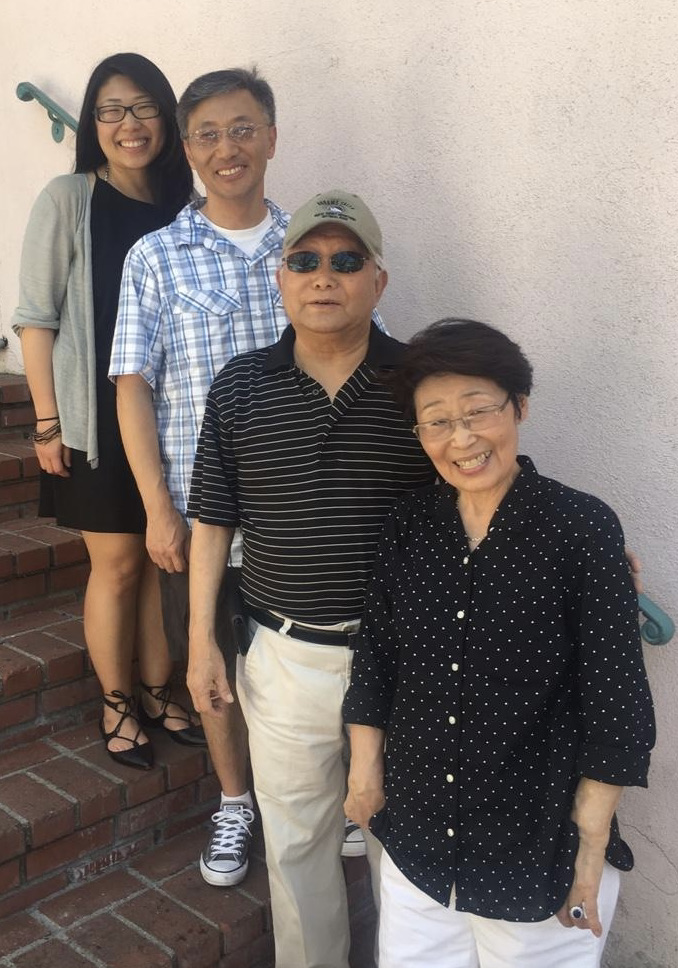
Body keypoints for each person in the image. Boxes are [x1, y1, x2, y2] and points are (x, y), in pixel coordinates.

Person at [342, 318, 656, 968]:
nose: (461, 438)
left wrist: (591, 848)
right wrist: (364, 772)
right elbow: (376, 658)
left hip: (537, 852)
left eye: (478, 411)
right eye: (436, 421)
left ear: (519, 406)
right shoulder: (410, 524)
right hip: (419, 843)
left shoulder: (580, 528)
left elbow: (617, 702)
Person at [186, 189, 436, 968]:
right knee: (296, 851)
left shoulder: (421, 382)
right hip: (285, 657)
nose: (324, 275)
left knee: (407, 853)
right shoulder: (238, 386)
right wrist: (201, 644)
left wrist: (587, 548)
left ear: (378, 281)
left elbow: (485, 480)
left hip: (405, 663)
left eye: (346, 259)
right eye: (305, 260)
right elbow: (212, 522)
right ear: (281, 278)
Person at [109, 68, 289, 887]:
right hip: (199, 517)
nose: (228, 148)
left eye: (243, 129)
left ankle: (308, 802)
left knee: (312, 670)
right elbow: (132, 386)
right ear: (187, 150)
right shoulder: (156, 256)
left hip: (305, 521)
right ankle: (235, 800)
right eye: (209, 134)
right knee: (209, 669)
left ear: (271, 137)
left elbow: (381, 370)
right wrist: (157, 507)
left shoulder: (314, 247)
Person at [12, 52, 201, 772]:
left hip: (165, 418)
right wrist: (48, 422)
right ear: (93, 122)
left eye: (145, 107)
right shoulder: (69, 198)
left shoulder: (184, 205)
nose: (130, 124)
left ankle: (158, 689)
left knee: (160, 560)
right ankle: (116, 703)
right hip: (94, 418)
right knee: (118, 563)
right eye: (112, 110)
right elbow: (36, 318)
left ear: (167, 118)